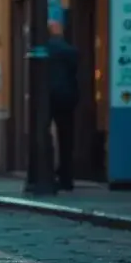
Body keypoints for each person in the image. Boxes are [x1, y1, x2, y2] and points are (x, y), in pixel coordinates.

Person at [46, 19, 80, 191]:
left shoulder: (45, 50)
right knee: (66, 137)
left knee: (44, 134)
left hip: (47, 97)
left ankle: (46, 173)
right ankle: (66, 177)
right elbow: (75, 72)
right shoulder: (70, 50)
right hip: (67, 96)